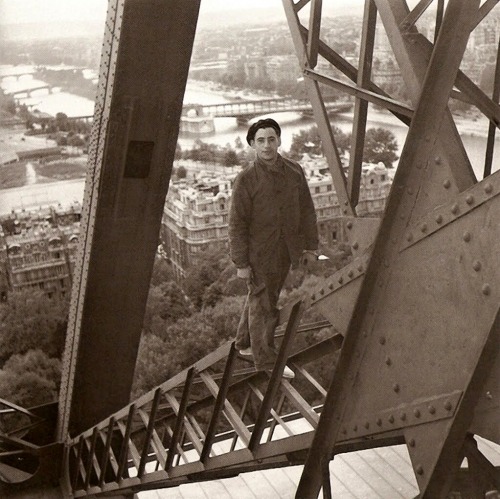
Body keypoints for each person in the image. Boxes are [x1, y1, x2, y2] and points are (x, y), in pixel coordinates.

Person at [229, 118, 318, 379]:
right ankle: (266, 361)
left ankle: (244, 343)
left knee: (261, 297)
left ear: (279, 140)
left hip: (287, 250)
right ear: (252, 145)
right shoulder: (245, 179)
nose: (267, 145)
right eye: (260, 141)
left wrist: (310, 247)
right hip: (259, 253)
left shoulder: (295, 170)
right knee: (263, 303)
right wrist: (241, 264)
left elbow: (307, 211)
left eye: (271, 139)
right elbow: (237, 224)